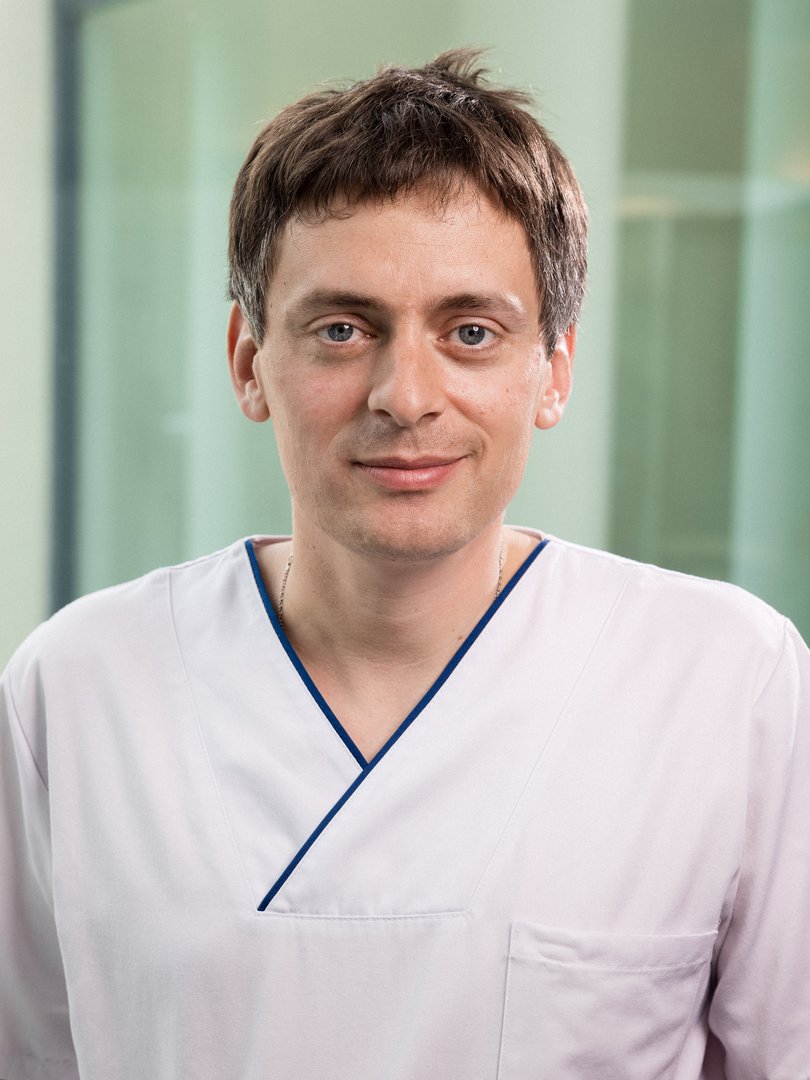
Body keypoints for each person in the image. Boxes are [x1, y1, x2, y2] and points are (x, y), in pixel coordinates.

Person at [1, 48, 808, 1080]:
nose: (406, 396)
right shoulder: (80, 686)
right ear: (249, 361)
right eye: (342, 330)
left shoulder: (726, 681)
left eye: (471, 332)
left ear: (553, 371)